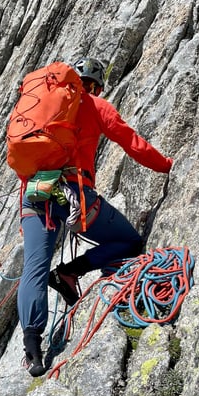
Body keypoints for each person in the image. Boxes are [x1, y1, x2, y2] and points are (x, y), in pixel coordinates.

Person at [18, 57, 173, 377]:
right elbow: (133, 144)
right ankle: (71, 271)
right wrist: (167, 165)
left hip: (35, 197)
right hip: (76, 196)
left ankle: (33, 351)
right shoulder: (97, 106)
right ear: (97, 85)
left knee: (33, 267)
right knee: (128, 240)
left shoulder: (45, 108)